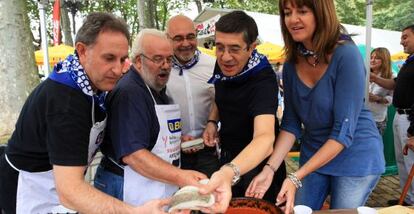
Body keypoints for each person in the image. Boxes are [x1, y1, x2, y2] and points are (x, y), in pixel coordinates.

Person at [0, 12, 169, 214]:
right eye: (109, 58)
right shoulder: (66, 102)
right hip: (30, 192)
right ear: (82, 51)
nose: (118, 69)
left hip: (59, 185)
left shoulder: (90, 86)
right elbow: (71, 192)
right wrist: (134, 212)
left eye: (123, 59)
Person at [246, 1, 385, 213]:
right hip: (313, 152)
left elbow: (342, 133)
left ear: (321, 14)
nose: (293, 19)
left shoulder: (346, 55)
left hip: (356, 155)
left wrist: (295, 176)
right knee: (298, 209)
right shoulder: (291, 64)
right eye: (287, 13)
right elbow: (291, 123)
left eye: (302, 11)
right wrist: (269, 169)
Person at [94, 29, 207, 206]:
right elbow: (133, 155)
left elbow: (152, 135)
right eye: (158, 59)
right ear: (139, 61)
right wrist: (181, 176)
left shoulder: (155, 87)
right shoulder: (129, 92)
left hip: (152, 183)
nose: (166, 65)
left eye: (169, 59)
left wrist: (176, 141)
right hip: (124, 185)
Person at [199, 11, 287, 212]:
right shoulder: (222, 63)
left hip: (257, 166)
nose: (225, 57)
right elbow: (220, 93)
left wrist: (229, 171)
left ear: (252, 47)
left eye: (235, 49)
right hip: (228, 157)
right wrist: (213, 121)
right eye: (219, 47)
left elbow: (265, 139)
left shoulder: (263, 79)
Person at [165, 15, 220, 177]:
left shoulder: (213, 65)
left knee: (210, 196)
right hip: (172, 151)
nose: (186, 43)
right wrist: (175, 137)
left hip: (208, 150)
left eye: (190, 37)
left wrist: (213, 123)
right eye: (178, 38)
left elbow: (222, 99)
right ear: (167, 39)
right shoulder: (161, 68)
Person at [370, 24, 414, 206]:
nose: (401, 41)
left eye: (405, 37)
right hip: (399, 116)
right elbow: (394, 84)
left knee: (410, 161)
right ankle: (407, 198)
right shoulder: (409, 62)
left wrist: (413, 130)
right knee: (401, 160)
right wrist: (374, 78)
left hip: (410, 119)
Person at [367, 47, 393, 135]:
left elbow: (393, 99)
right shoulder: (364, 73)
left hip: (377, 119)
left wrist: (378, 99)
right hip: (361, 117)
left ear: (384, 60)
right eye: (371, 57)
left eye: (377, 58)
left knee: (373, 146)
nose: (372, 60)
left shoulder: (391, 76)